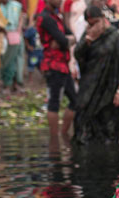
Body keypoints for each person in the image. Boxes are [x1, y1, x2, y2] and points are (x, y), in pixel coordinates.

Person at [73, 6, 119, 145]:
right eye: (90, 24)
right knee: (84, 129)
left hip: (109, 90)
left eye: (96, 23)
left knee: (108, 131)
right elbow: (78, 55)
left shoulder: (114, 36)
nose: (93, 27)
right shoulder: (88, 36)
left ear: (103, 20)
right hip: (89, 89)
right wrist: (88, 40)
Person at [37, 0, 77, 136]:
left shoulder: (56, 17)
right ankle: (54, 139)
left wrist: (65, 41)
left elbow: (71, 37)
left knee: (74, 100)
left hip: (63, 65)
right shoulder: (45, 18)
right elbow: (64, 40)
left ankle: (63, 135)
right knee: (54, 101)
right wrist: (65, 41)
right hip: (53, 65)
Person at [0, 0, 24, 91]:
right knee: (7, 60)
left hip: (16, 35)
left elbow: (20, 18)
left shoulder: (17, 5)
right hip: (4, 37)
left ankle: (17, 83)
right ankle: (7, 84)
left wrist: (19, 30)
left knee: (18, 59)